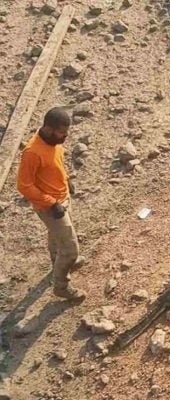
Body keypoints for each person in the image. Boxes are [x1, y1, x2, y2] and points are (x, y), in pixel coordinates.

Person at [17, 107, 86, 301]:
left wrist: (66, 179)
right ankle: (61, 286)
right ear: (48, 129)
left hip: (62, 199)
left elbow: (56, 164)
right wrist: (51, 202)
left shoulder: (54, 142)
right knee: (71, 249)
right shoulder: (32, 152)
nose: (65, 136)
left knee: (57, 237)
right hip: (50, 207)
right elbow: (24, 185)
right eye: (61, 132)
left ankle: (58, 261)